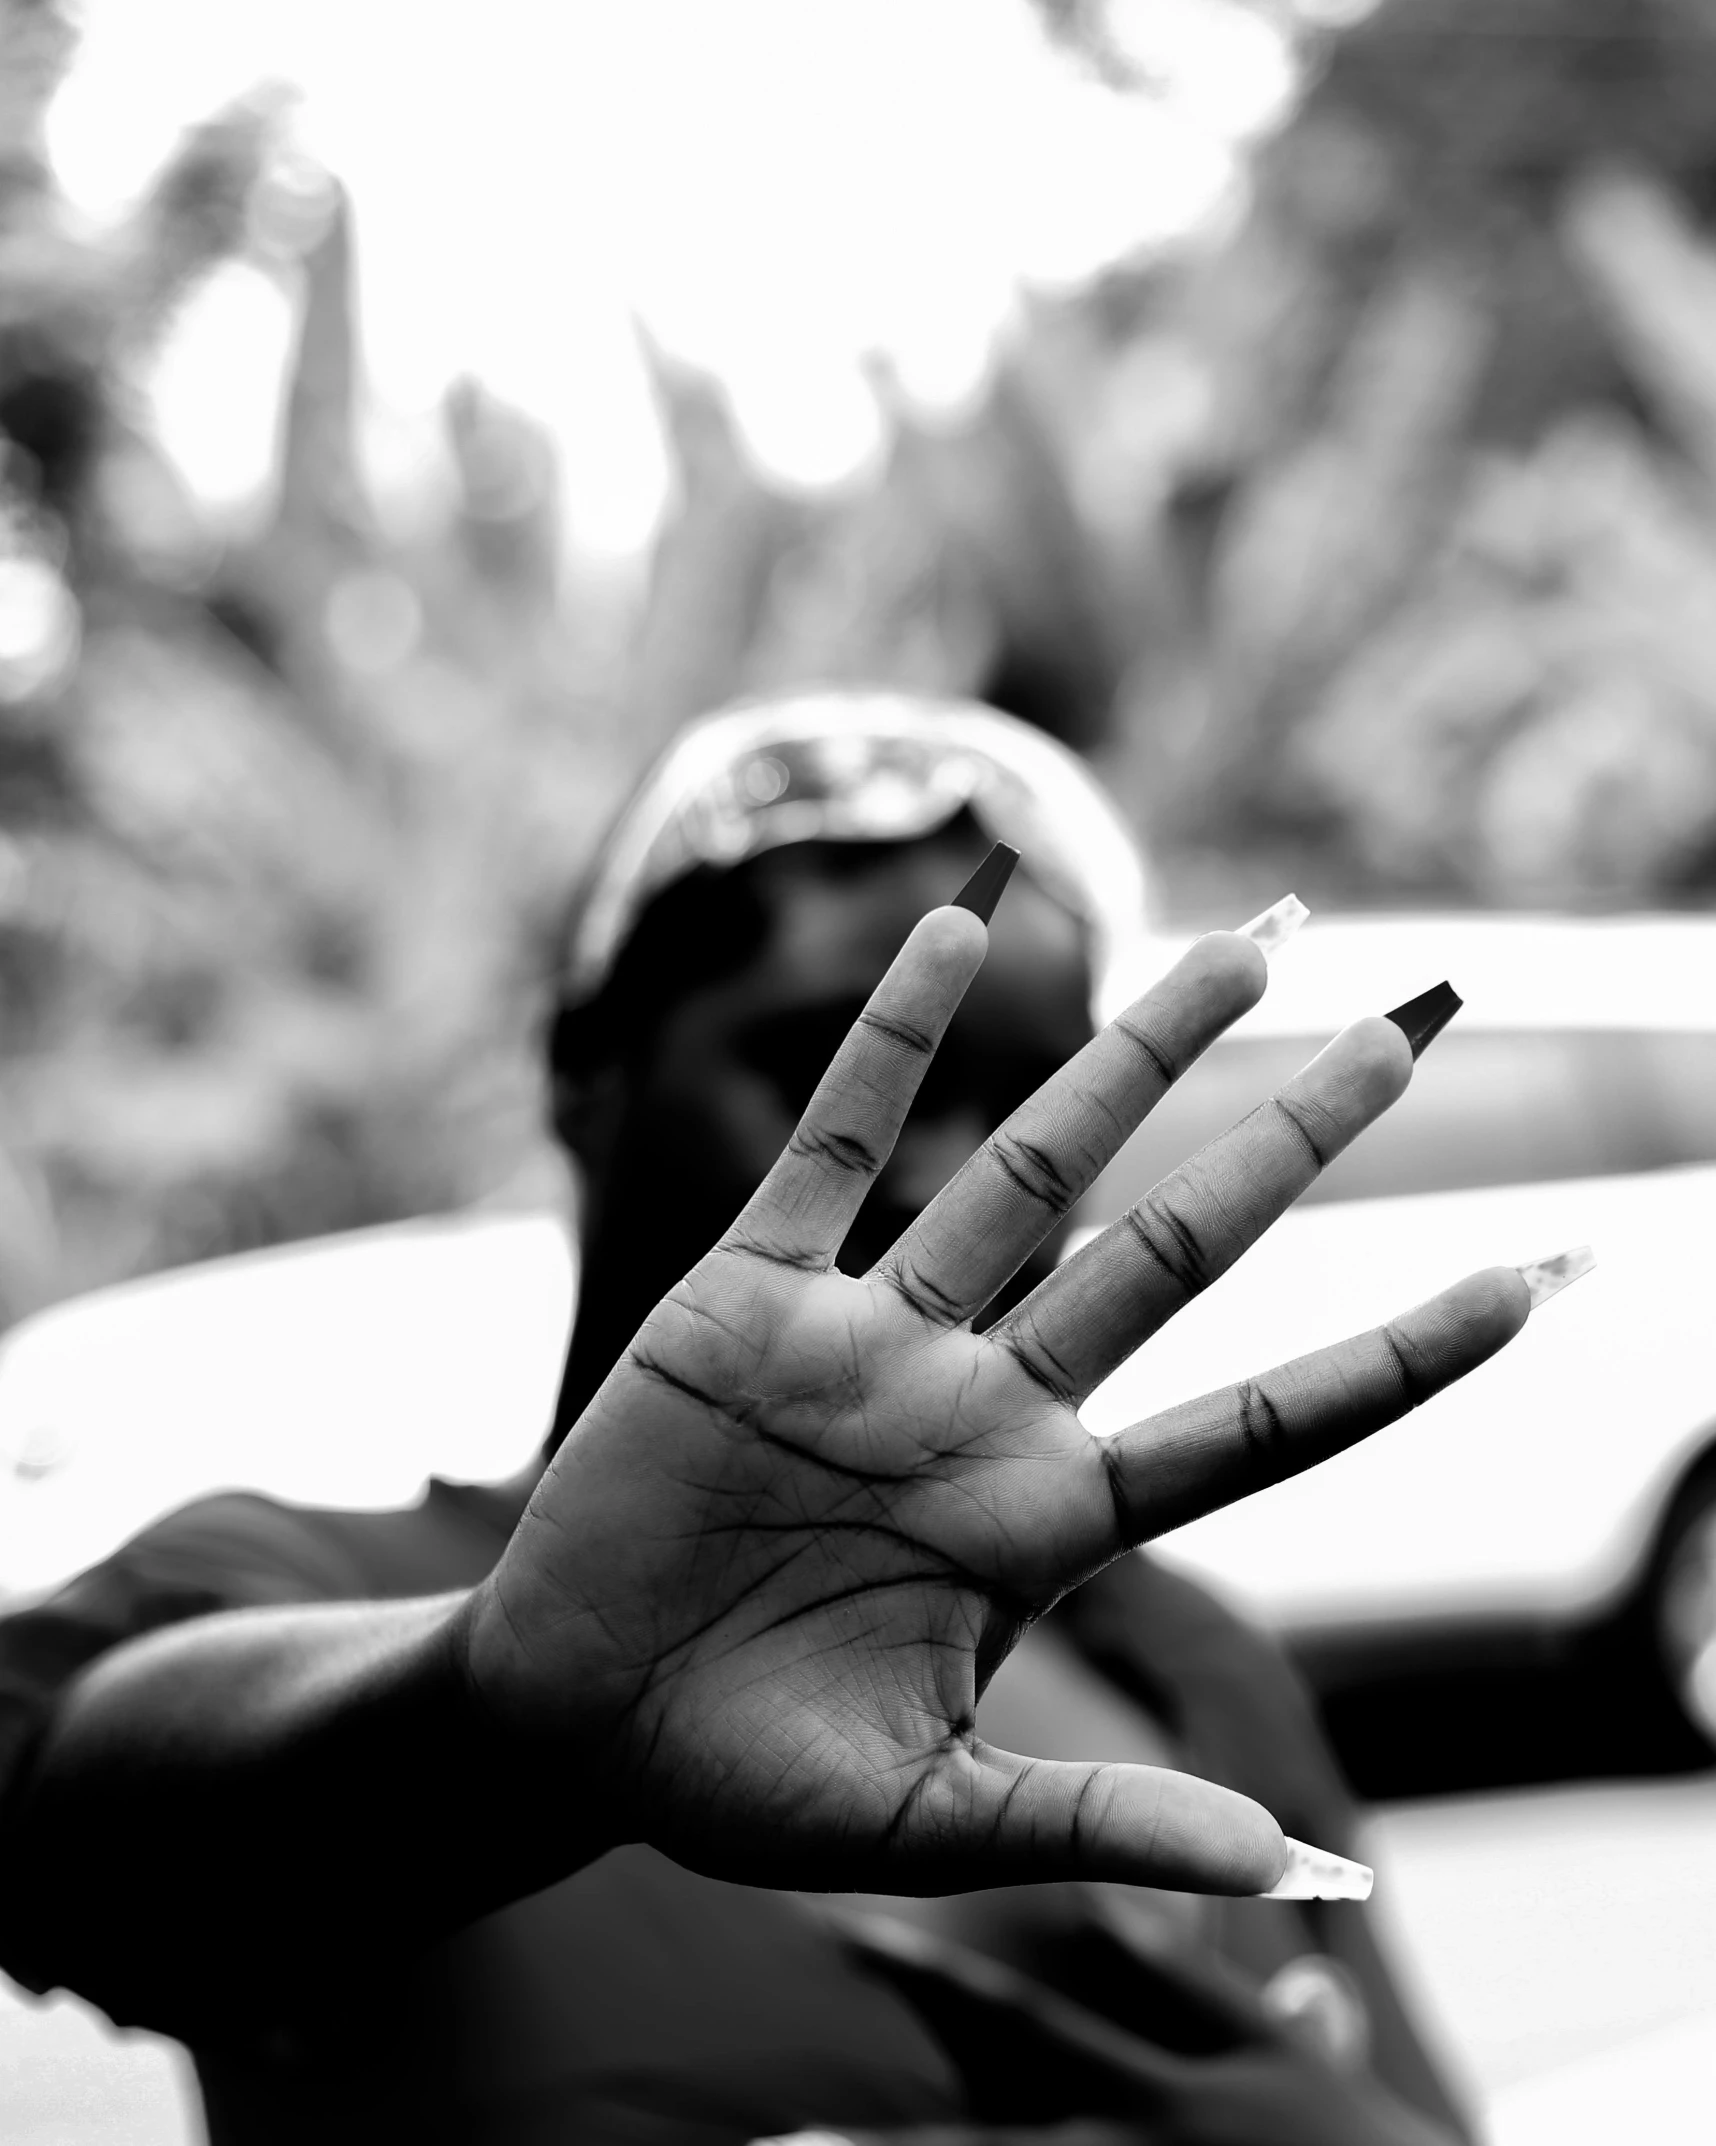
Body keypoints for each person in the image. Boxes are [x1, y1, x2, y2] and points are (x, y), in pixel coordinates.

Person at [0, 695, 1559, 2145]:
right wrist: (501, 1709)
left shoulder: (1188, 1662)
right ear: (585, 1070)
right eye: (830, 1071)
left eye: (1027, 1094)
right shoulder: (312, 1588)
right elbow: (73, 1851)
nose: (947, 1171)